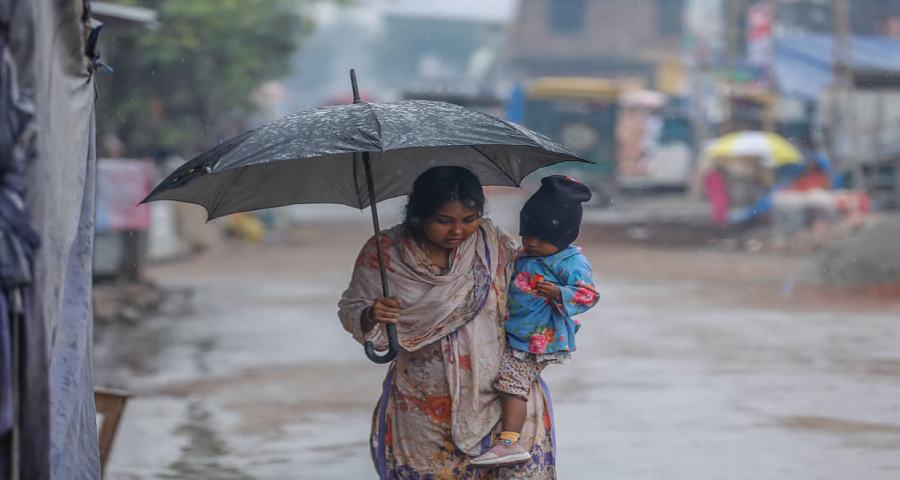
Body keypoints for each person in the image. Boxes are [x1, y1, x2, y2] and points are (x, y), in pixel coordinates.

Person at [338, 166, 557, 478]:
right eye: (444, 221)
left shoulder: (492, 243)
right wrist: (372, 314)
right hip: (424, 401)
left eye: (469, 219)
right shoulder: (384, 252)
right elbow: (351, 309)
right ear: (420, 214)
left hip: (503, 396)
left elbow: (528, 295)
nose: (458, 231)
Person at [472, 175, 600, 468]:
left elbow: (589, 295)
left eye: (540, 239)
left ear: (563, 236)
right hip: (514, 331)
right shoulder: (524, 254)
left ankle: (509, 442)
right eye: (527, 235)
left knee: (510, 383)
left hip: (540, 338)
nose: (531, 243)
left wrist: (560, 292)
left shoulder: (570, 262)